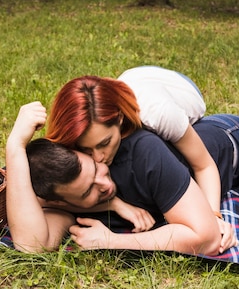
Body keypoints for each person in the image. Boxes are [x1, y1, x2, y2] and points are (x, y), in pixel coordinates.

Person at [6, 93, 239, 255]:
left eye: (96, 165)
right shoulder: (58, 176)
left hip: (237, 147)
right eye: (90, 194)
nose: (105, 181)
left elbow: (203, 238)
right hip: (201, 145)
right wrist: (15, 146)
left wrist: (111, 240)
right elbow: (30, 243)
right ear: (56, 199)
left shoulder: (140, 151)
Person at [45, 67, 225, 230]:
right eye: (86, 149)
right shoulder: (78, 130)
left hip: (181, 85)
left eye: (104, 143)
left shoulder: (160, 115)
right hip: (133, 79)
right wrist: (114, 204)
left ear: (120, 119)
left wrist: (214, 216)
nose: (98, 158)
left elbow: (204, 165)